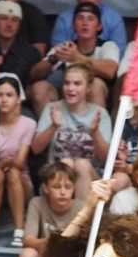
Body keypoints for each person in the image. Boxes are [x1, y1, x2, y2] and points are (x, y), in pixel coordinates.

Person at [31, 62, 111, 200]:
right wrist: (53, 127)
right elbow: (36, 149)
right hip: (56, 176)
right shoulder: (52, 108)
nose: (70, 88)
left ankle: (81, 219)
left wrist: (95, 132)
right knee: (66, 163)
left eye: (77, 84)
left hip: (90, 178)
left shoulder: (100, 113)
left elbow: (106, 158)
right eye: (67, 83)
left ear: (88, 88)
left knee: (81, 164)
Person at [0, 76, 35, 248]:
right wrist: (2, 165)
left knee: (14, 172)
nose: (4, 99)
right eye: (0, 95)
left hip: (21, 181)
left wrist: (8, 164)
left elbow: (21, 162)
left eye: (9, 95)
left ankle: (19, 232)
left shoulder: (28, 124)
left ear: (18, 99)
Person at [48, 0, 128, 54]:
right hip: (70, 63)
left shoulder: (113, 18)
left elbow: (119, 53)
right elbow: (57, 50)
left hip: (104, 64)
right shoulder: (64, 18)